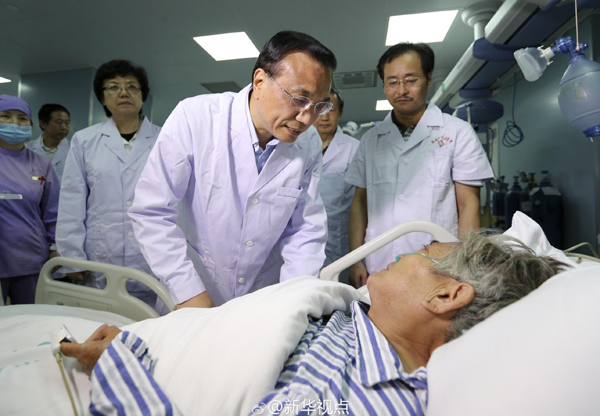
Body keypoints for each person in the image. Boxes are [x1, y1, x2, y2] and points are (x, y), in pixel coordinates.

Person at [61, 230, 570, 415]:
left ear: (445, 295)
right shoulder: (360, 325)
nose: (401, 254)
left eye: (422, 252)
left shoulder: (347, 397)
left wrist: (119, 366)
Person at [128, 31, 336, 308]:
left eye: (319, 106)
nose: (307, 118)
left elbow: (305, 229)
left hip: (262, 295)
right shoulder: (195, 117)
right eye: (299, 99)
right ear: (260, 81)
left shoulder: (308, 143)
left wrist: (292, 302)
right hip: (194, 287)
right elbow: (152, 212)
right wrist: (188, 293)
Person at [345, 43, 494, 288]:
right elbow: (359, 204)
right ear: (384, 86)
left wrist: (466, 264)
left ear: (428, 79)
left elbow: (468, 204)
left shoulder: (457, 132)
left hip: (439, 260)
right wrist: (356, 260)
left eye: (411, 80)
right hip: (379, 261)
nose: (401, 90)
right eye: (392, 82)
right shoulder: (371, 140)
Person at [56, 60, 163, 311]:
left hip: (153, 256)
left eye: (132, 87)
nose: (124, 92)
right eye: (113, 87)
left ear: (142, 96)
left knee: (152, 324)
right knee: (101, 323)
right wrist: (72, 256)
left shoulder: (165, 138)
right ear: (102, 98)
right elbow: (72, 200)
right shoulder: (84, 141)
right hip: (100, 257)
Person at [0, 95, 60, 304]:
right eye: (5, 116)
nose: (14, 123)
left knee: (30, 318)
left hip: (30, 257)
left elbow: (53, 210)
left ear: (32, 125)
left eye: (22, 118)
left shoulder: (41, 165)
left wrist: (55, 247)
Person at [315, 88, 359, 283]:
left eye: (331, 110)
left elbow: (362, 200)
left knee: (337, 291)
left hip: (339, 238)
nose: (325, 117)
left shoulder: (354, 148)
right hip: (303, 237)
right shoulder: (297, 146)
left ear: (340, 113)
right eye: (320, 110)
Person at [25, 104, 71, 182]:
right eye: (59, 122)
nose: (64, 127)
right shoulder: (27, 149)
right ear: (43, 124)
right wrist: (43, 179)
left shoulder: (75, 149)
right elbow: (25, 177)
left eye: (67, 123)